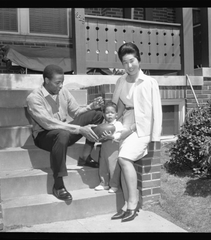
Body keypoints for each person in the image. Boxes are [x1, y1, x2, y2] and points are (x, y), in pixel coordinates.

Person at [26, 64, 104, 201]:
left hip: (64, 131)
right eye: (57, 83)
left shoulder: (63, 92)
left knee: (96, 114)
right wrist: (79, 129)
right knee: (62, 134)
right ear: (46, 81)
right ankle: (58, 185)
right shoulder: (34, 98)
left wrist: (91, 107)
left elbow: (76, 112)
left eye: (62, 82)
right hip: (44, 135)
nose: (61, 85)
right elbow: (49, 123)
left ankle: (85, 157)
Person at [111, 42, 162, 222]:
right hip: (126, 122)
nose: (129, 66)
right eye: (125, 62)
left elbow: (156, 110)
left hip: (142, 128)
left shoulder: (149, 82)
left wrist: (154, 137)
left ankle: (133, 203)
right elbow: (116, 105)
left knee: (124, 158)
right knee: (122, 160)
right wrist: (112, 125)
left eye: (132, 61)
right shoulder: (121, 81)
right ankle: (127, 205)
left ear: (139, 59)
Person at [94, 101, 124, 193]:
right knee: (103, 166)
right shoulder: (103, 125)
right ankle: (104, 183)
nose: (109, 115)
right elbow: (100, 135)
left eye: (112, 113)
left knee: (113, 167)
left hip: (113, 149)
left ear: (116, 114)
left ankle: (114, 185)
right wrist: (98, 141)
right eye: (107, 113)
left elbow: (120, 136)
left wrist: (112, 136)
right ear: (103, 114)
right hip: (104, 148)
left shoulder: (118, 124)